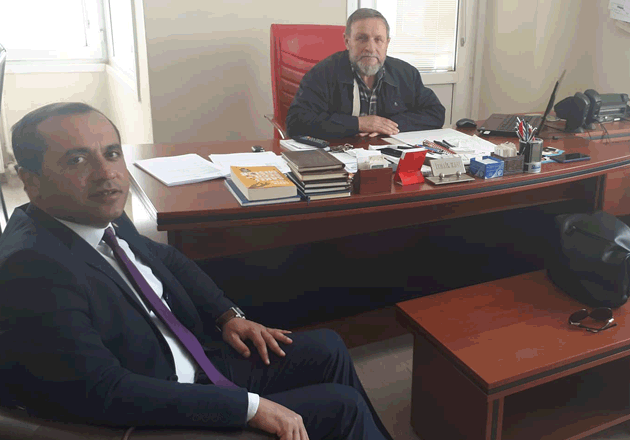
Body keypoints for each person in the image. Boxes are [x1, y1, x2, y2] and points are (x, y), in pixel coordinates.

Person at [0, 102, 394, 440]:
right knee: (341, 407)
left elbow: (166, 258)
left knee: (328, 347)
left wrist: (227, 315)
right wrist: (250, 408)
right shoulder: (32, 269)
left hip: (192, 359)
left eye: (112, 153)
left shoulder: (94, 211)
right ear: (30, 180)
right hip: (161, 412)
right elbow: (104, 391)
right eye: (77, 159)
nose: (107, 173)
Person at [286, 8, 445, 139]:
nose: (370, 48)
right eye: (362, 38)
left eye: (378, 39)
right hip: (338, 155)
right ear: (347, 41)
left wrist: (387, 125)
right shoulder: (322, 73)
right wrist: (359, 124)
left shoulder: (406, 73)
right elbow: (296, 123)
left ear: (387, 43)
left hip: (388, 154)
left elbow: (436, 113)